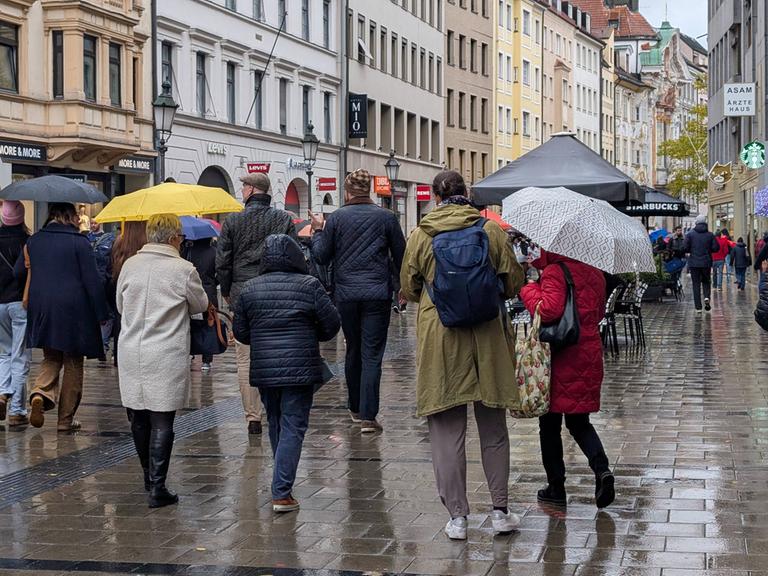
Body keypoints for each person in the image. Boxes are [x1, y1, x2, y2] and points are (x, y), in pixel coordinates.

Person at [400, 170, 524, 540]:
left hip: (441, 336)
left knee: (446, 431)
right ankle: (500, 511)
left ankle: (457, 518)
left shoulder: (421, 235)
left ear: (435, 197)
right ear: (466, 194)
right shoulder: (490, 230)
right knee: (493, 427)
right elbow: (513, 281)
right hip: (487, 335)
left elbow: (409, 287)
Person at [233, 234, 340, 512]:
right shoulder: (309, 285)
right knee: (293, 425)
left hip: (265, 368)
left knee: (276, 421)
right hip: (300, 367)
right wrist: (310, 333)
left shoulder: (250, 288)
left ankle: (282, 483)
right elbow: (331, 325)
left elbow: (240, 333)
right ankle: (281, 491)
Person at [116, 214, 209, 508]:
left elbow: (120, 305)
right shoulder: (183, 269)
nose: (181, 242)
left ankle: (148, 478)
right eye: (180, 237)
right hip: (166, 350)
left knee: (138, 415)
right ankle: (157, 487)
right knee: (162, 417)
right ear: (171, 238)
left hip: (131, 349)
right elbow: (201, 304)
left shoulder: (130, 264)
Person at [310, 169, 406, 434]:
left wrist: (317, 230)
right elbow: (402, 256)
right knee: (372, 353)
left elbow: (321, 256)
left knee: (353, 349)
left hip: (347, 295)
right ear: (369, 190)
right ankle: (368, 417)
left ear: (347, 192)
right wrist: (403, 287)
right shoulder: (386, 217)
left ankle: (354, 407)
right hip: (377, 294)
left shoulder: (337, 219)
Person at [520, 249, 615, 510]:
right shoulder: (595, 273)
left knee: (549, 425)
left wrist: (529, 288)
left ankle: (556, 487)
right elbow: (597, 313)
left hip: (560, 355)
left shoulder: (555, 271)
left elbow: (548, 310)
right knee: (580, 422)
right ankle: (602, 469)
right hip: (588, 351)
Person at [216, 173, 297, 436]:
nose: (242, 190)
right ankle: (276, 407)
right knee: (276, 351)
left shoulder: (233, 221)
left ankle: (253, 416)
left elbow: (223, 262)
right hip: (276, 292)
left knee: (245, 357)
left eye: (244, 187)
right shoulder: (283, 219)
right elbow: (294, 255)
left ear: (251, 190)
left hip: (243, 293)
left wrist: (226, 290)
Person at [25, 203, 110, 431]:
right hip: (74, 310)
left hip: (42, 306)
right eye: (75, 215)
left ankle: (39, 393)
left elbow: (24, 271)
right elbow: (92, 280)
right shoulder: (79, 242)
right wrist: (101, 312)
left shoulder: (35, 241)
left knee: (51, 356)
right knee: (73, 362)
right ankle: (65, 420)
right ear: (68, 216)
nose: (78, 219)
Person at [0, 201, 30, 426]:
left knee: (3, 354)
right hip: (20, 303)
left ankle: (2, 393)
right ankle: (17, 410)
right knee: (19, 355)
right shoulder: (27, 241)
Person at [110, 221, 147, 366]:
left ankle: (119, 357)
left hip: (121, 290)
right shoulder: (146, 244)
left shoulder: (119, 242)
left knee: (121, 323)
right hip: (141, 291)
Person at [183, 237, 218, 372]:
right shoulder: (214, 252)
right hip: (209, 292)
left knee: (188, 323)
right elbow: (220, 272)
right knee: (209, 324)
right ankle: (206, 361)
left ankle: (190, 352)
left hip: (190, 291)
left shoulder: (188, 251)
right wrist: (213, 282)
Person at [88, 219, 116, 358]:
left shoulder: (89, 240)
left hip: (96, 280)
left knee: (104, 314)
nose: (93, 225)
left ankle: (102, 345)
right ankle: (103, 345)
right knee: (107, 314)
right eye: (92, 223)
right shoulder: (108, 240)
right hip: (105, 280)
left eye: (95, 223)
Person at [684, 215, 719, 312]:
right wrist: (708, 250)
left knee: (696, 284)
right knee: (706, 281)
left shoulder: (690, 234)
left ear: (696, 222)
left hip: (694, 263)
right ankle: (706, 297)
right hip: (706, 262)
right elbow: (716, 248)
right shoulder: (710, 235)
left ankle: (698, 307)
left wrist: (691, 250)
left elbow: (685, 247)